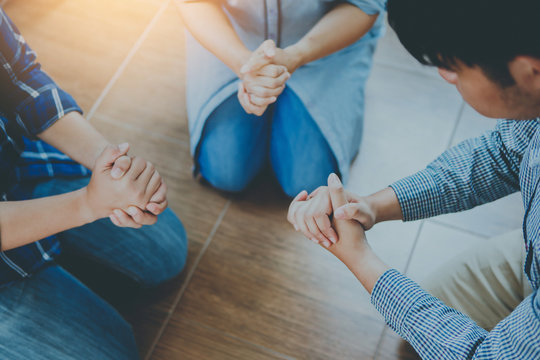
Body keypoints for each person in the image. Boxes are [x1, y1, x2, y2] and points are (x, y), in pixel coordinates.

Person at [288, 0, 540, 358]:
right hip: (530, 254)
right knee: (422, 327)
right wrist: (372, 206)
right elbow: (502, 153)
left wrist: (361, 260)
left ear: (531, 70)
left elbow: (481, 356)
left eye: (451, 66)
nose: (444, 76)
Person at [0, 8, 187, 360]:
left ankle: (50, 250)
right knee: (114, 352)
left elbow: (21, 78)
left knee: (166, 249)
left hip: (13, 166)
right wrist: (88, 204)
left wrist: (110, 163)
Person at [177, 0, 386, 197]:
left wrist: (297, 55)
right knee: (225, 171)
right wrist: (243, 63)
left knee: (309, 183)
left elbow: (364, 5)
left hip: (324, 43)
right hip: (233, 36)